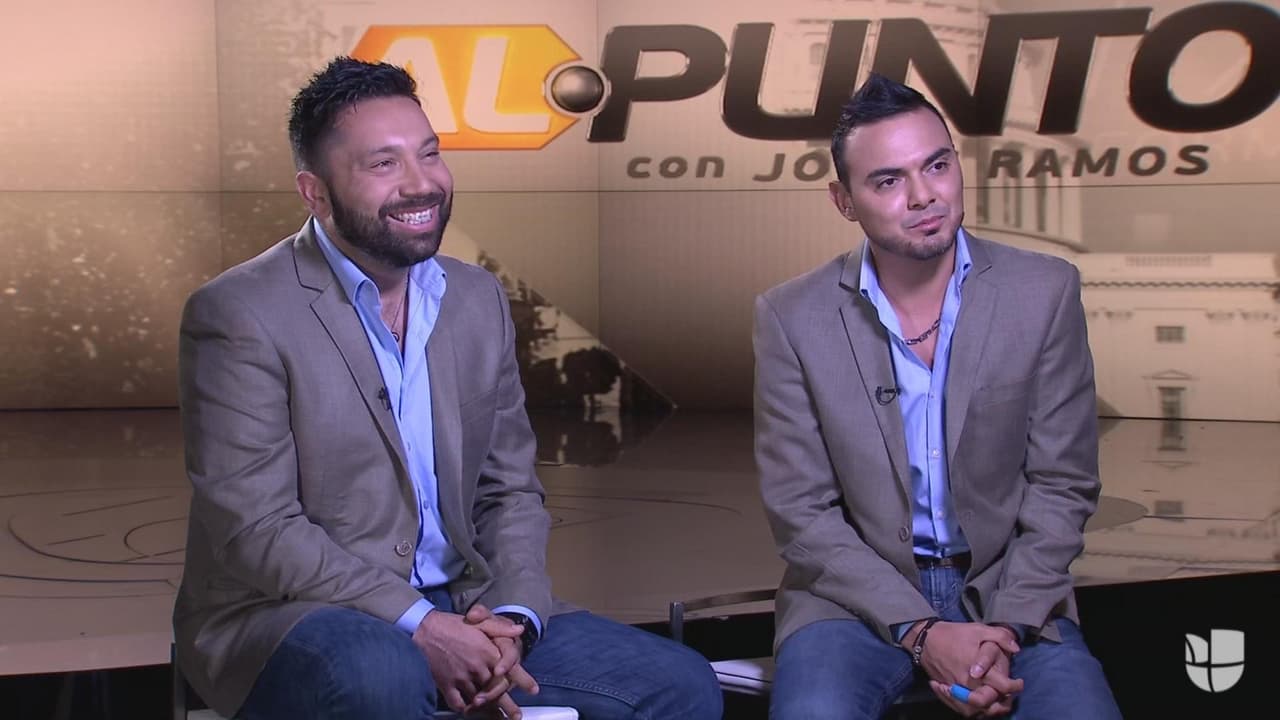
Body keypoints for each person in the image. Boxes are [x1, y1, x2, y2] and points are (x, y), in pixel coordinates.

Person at [173, 56, 721, 720]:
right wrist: (420, 626)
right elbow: (257, 529)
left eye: (429, 154)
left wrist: (513, 618)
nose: (421, 183)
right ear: (315, 193)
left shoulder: (475, 297)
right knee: (380, 674)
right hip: (295, 614)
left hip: (464, 602)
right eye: (384, 164)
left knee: (680, 684)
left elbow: (508, 490)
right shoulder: (239, 313)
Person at [753, 73, 1122, 719]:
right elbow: (801, 510)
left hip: (1011, 589)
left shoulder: (1045, 292)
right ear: (844, 201)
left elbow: (1063, 485)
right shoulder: (791, 316)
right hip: (850, 600)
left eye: (937, 165)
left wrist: (1001, 631)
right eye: (888, 181)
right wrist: (924, 633)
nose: (924, 195)